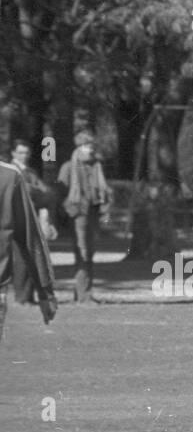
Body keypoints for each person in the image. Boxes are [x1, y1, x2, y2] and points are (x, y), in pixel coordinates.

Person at [0, 159, 57, 343]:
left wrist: (45, 291)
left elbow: (29, 237)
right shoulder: (9, 176)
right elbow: (30, 238)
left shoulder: (10, 176)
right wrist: (45, 292)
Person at [57, 129, 113, 304]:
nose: (90, 149)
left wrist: (106, 206)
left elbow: (103, 190)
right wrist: (69, 211)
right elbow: (60, 192)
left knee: (90, 252)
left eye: (91, 145)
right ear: (79, 146)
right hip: (78, 215)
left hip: (93, 213)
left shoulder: (96, 166)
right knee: (83, 252)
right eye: (86, 145)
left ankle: (82, 293)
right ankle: (84, 294)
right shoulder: (68, 167)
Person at [7, 140, 57, 306]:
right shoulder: (10, 171)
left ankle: (28, 296)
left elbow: (47, 194)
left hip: (31, 218)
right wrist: (35, 191)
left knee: (32, 256)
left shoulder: (31, 172)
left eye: (26, 153)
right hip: (15, 219)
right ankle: (21, 297)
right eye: (21, 152)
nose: (25, 156)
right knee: (21, 258)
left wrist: (34, 191)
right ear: (13, 153)